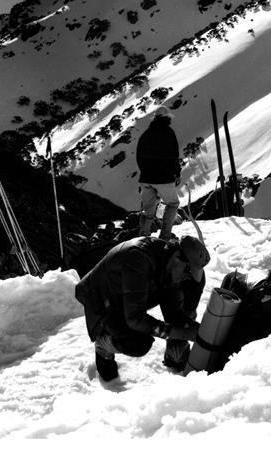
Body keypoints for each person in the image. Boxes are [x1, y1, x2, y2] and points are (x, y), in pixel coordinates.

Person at [74, 234, 210, 381]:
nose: (186, 277)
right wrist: (181, 333)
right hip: (101, 300)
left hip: (128, 294)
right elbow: (135, 318)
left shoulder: (169, 262)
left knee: (185, 295)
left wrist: (197, 331)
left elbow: (179, 311)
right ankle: (104, 345)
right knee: (138, 343)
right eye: (187, 272)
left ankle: (175, 354)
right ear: (177, 257)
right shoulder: (138, 258)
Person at [136, 105, 182, 239]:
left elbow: (139, 157)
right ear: (167, 118)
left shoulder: (146, 134)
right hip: (164, 178)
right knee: (173, 204)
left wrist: (145, 172)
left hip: (146, 178)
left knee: (148, 210)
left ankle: (143, 237)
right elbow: (174, 156)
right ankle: (165, 235)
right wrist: (177, 174)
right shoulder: (169, 133)